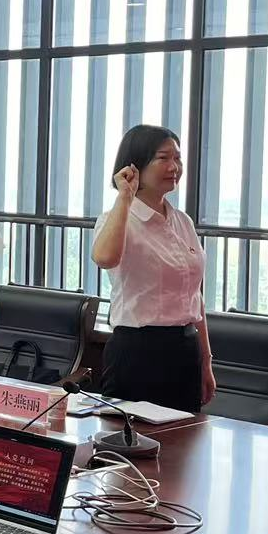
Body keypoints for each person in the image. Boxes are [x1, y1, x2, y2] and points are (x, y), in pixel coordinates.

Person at [92, 124, 217, 410]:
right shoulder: (116, 218)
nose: (174, 167)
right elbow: (105, 258)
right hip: (137, 351)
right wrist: (124, 196)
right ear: (135, 165)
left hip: (185, 349)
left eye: (178, 158)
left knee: (183, 435)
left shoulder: (183, 222)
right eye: (163, 158)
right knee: (130, 433)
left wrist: (206, 360)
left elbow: (194, 296)